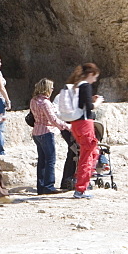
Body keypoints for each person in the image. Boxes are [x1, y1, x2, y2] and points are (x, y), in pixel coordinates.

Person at [28, 78, 71, 195]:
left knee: (42, 160)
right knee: (50, 160)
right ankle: (49, 186)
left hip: (36, 132)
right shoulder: (45, 103)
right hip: (46, 132)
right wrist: (67, 126)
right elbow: (53, 120)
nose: (53, 89)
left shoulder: (33, 100)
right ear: (47, 89)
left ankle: (41, 187)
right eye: (51, 87)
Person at [68, 63, 103, 199]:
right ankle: (81, 188)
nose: (94, 80)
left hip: (76, 124)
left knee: (91, 153)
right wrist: (97, 102)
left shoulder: (75, 87)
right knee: (87, 156)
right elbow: (89, 107)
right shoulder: (85, 86)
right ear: (90, 74)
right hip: (84, 123)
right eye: (95, 77)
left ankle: (82, 183)